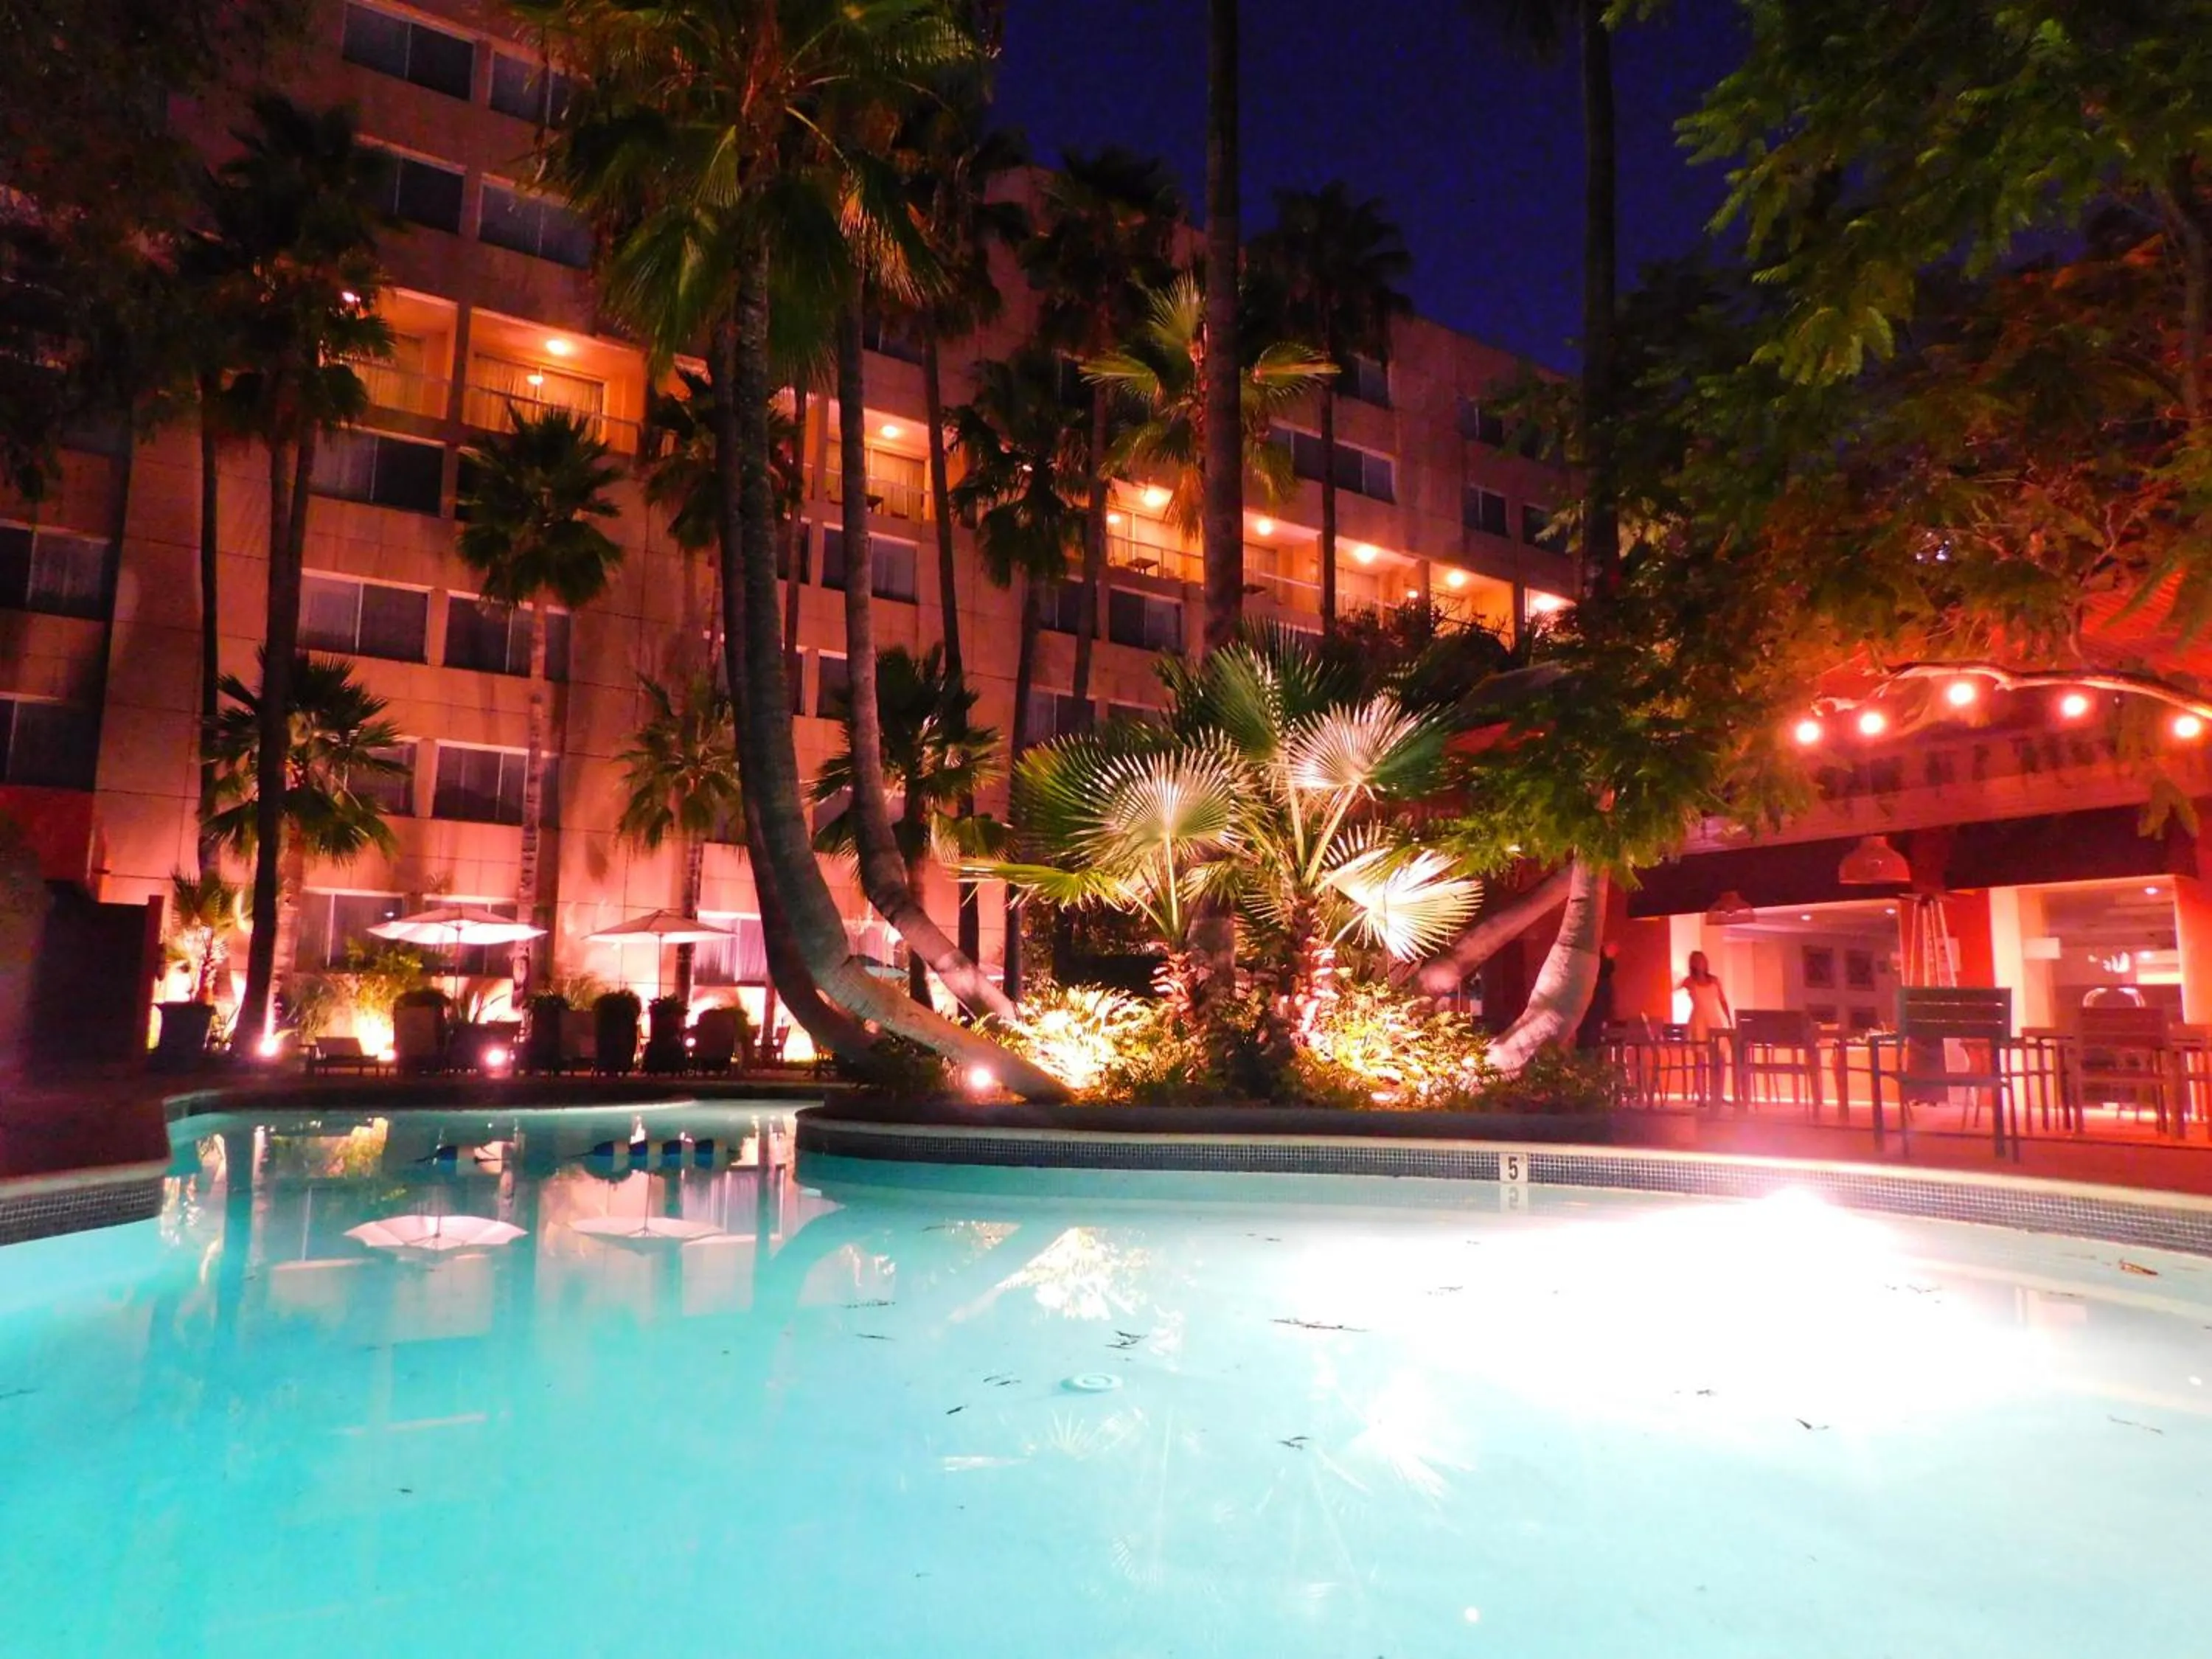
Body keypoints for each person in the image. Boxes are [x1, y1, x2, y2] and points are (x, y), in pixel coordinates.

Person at [1680, 950, 1732, 1107]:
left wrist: (1729, 1020)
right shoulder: (1690, 981)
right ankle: (1702, 1096)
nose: (1700, 963)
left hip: (1714, 1020)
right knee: (1700, 1060)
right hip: (1699, 1020)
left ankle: (1718, 1095)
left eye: (1702, 960)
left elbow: (1723, 1001)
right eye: (1696, 961)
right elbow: (1676, 987)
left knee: (1720, 1059)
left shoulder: (1714, 981)